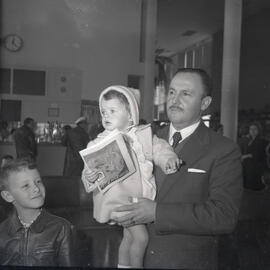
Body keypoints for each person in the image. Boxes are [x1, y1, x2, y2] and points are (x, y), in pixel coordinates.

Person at [112, 68, 243, 270]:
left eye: (186, 94)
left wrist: (158, 213)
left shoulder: (223, 150)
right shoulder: (143, 138)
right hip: (137, 258)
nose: (175, 99)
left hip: (184, 261)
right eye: (172, 92)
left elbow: (224, 216)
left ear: (205, 103)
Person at [81, 86, 180, 268]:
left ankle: (123, 265)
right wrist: (89, 176)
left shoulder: (143, 135)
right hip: (118, 201)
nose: (106, 116)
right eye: (103, 112)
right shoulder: (98, 142)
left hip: (138, 198)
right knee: (141, 238)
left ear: (130, 114)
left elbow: (160, 148)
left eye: (112, 111)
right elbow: (88, 175)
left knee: (129, 237)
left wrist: (168, 159)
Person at [0, 158, 76, 266]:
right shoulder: (2, 232)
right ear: (8, 196)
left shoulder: (61, 229)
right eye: (26, 186)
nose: (36, 188)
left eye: (38, 181)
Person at [239, 122, 267, 190]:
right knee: (248, 183)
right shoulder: (251, 140)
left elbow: (256, 154)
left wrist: (244, 156)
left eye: (255, 129)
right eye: (251, 129)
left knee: (254, 185)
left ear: (259, 130)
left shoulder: (260, 140)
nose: (252, 131)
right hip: (250, 164)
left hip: (256, 165)